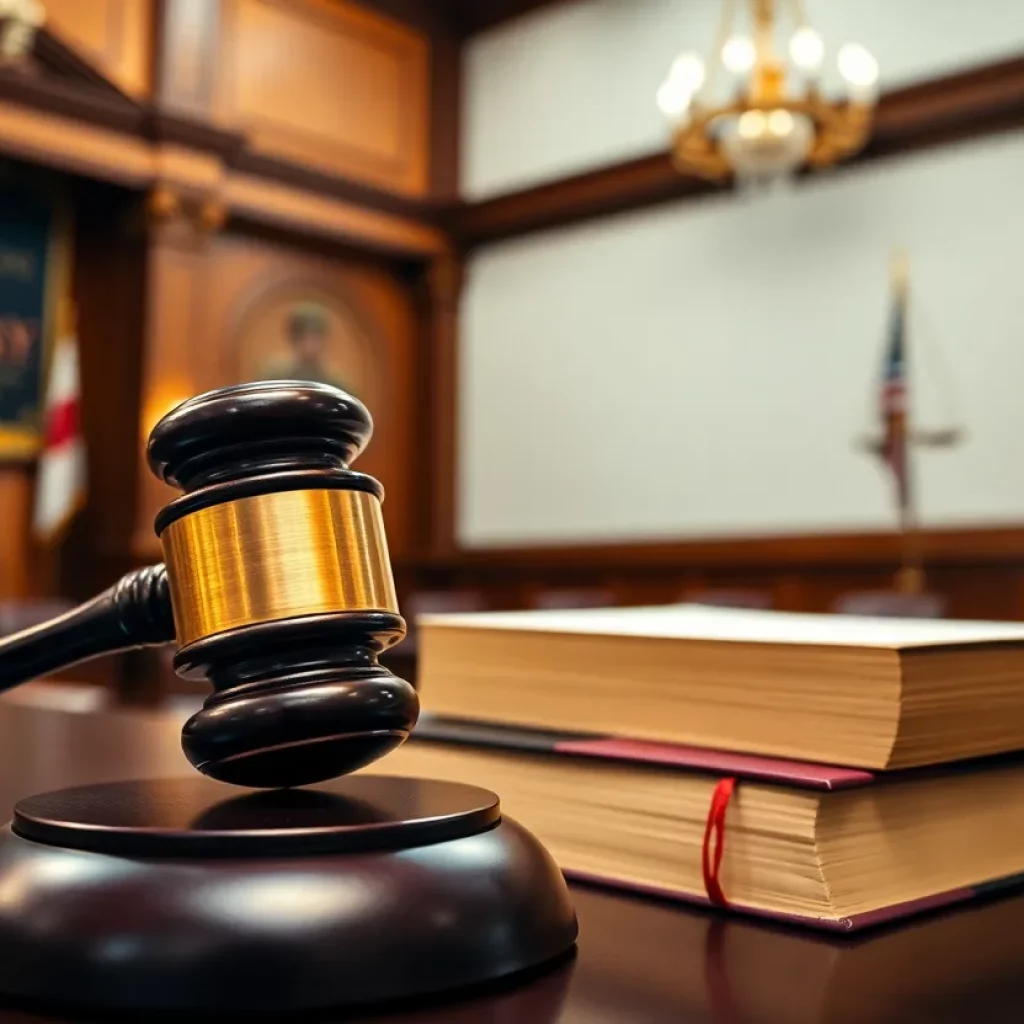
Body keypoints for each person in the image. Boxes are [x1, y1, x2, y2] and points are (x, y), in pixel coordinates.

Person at [257, 303, 350, 391]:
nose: (312, 345)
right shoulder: (273, 378)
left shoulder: (336, 385)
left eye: (317, 337)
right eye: (305, 338)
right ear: (294, 340)